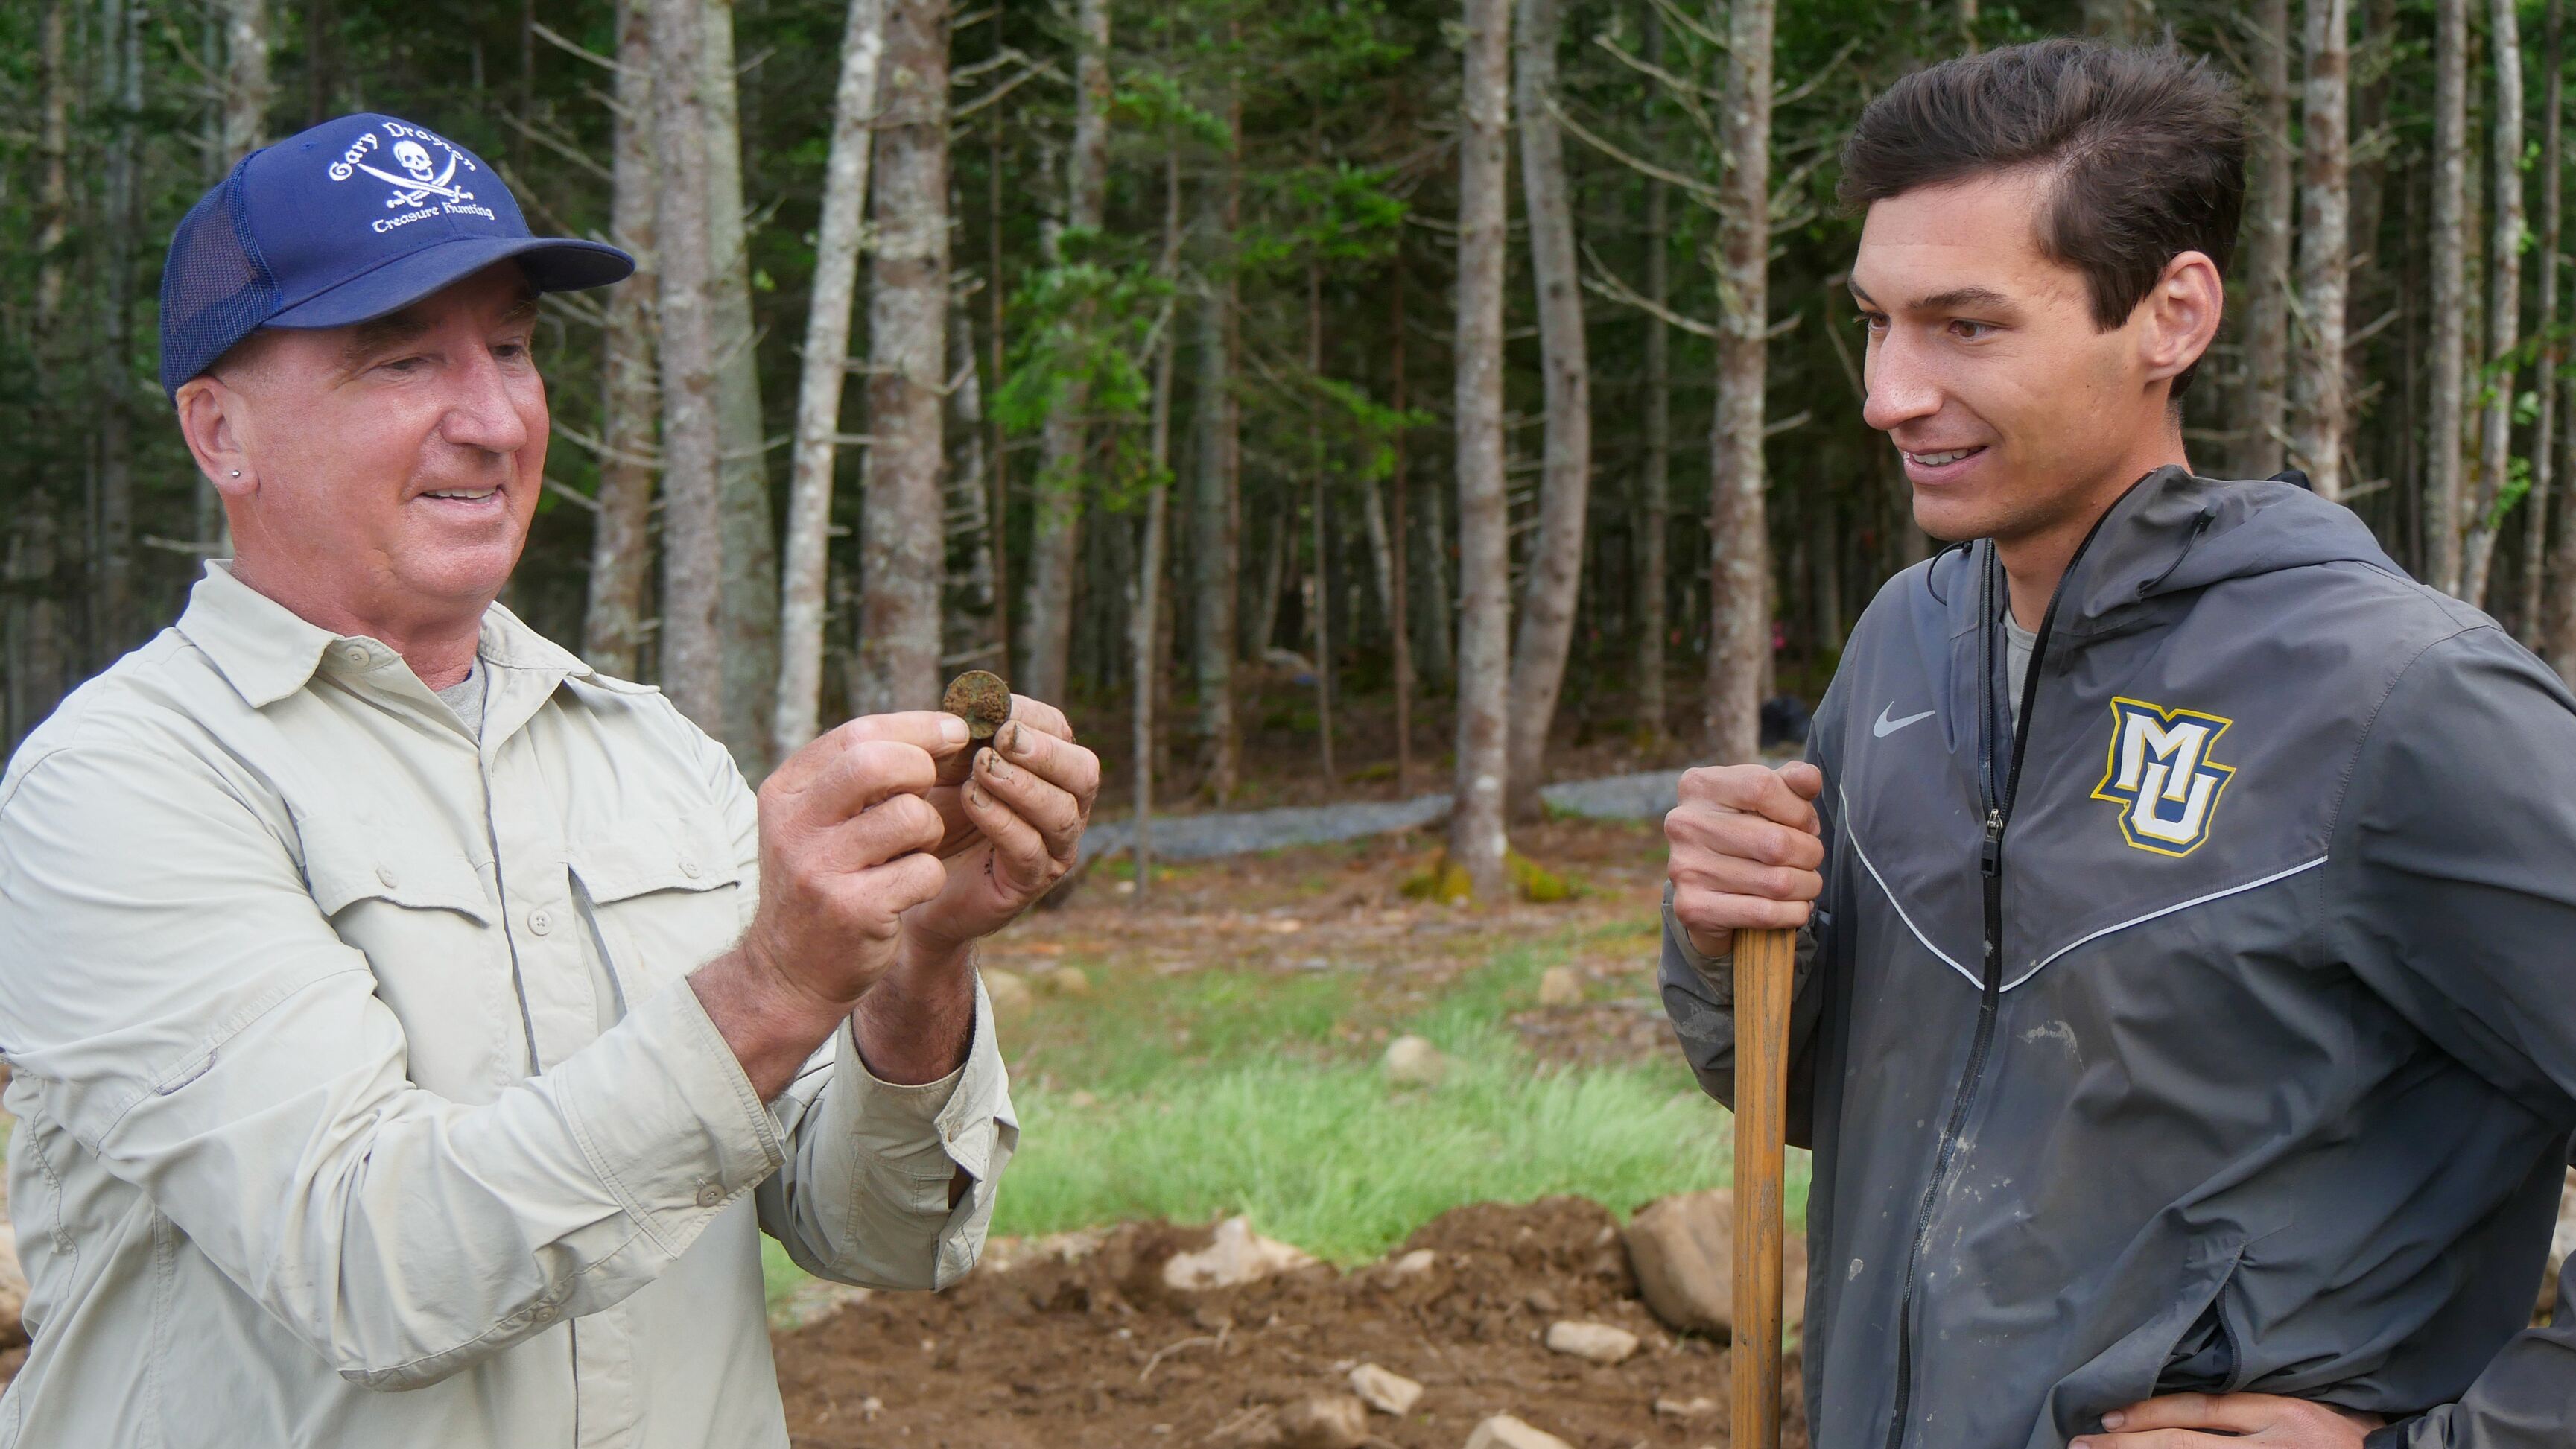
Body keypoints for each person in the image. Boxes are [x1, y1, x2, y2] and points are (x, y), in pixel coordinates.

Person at [0, 112, 1097, 1447]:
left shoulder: (650, 753)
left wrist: (922, 958)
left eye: (513, 348)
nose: (494, 417)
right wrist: (779, 983)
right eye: (402, 358)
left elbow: (877, 1230)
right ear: (220, 431)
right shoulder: (116, 788)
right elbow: (372, 1261)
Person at [1660, 40, 2576, 1449]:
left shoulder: (2398, 701)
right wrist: (1732, 945)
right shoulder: (1903, 643)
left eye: (1965, 328)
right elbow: (1880, 1105)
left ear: (2170, 315)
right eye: (1874, 321)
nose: (1887, 394)